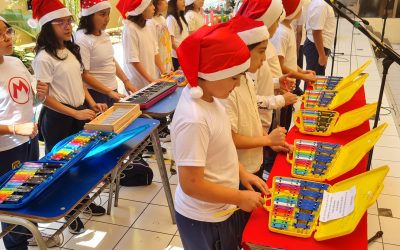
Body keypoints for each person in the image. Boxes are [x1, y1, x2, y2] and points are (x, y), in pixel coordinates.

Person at [171, 24, 268, 250]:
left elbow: (223, 148)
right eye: (234, 78)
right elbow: (191, 184)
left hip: (221, 208)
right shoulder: (194, 119)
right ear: (213, 73)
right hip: (204, 219)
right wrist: (238, 197)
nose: (237, 84)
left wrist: (242, 173)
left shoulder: (212, 100)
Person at [31, 0, 107, 234]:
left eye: (68, 21)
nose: (67, 26)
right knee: (62, 167)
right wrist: (76, 112)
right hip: (58, 118)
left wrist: (93, 104)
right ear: (47, 26)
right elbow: (45, 98)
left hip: (79, 112)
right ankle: (68, 213)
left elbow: (80, 83)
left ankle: (82, 202)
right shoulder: (44, 57)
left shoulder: (71, 50)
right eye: (60, 22)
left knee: (81, 162)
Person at [0, 15, 61, 249]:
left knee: (28, 193)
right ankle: (18, 244)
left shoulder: (14, 62)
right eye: (0, 34)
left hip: (28, 141)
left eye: (8, 31)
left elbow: (31, 96)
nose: (7, 37)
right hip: (6, 150)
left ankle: (27, 235)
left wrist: (41, 92)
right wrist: (16, 128)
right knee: (11, 204)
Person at [223, 16, 287, 179]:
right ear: (243, 50)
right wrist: (267, 141)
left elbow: (252, 119)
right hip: (239, 170)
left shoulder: (245, 78)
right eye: (261, 51)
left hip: (253, 162)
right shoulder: (228, 88)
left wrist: (271, 142)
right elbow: (231, 139)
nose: (264, 58)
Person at [76, 0, 137, 107]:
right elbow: (85, 75)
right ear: (89, 16)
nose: (107, 18)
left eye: (108, 14)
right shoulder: (82, 39)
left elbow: (111, 60)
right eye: (102, 14)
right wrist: (108, 91)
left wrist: (126, 81)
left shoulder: (103, 34)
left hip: (111, 90)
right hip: (96, 94)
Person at [117, 0, 166, 90]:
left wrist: (164, 72)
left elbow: (155, 51)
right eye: (150, 4)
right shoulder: (130, 29)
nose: (154, 7)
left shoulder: (149, 25)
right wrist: (151, 80)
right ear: (142, 9)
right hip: (138, 84)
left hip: (151, 79)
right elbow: (134, 60)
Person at [304, 0, 336, 79]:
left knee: (316, 78)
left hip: (318, 46)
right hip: (315, 47)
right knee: (314, 80)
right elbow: (316, 32)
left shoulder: (322, 3)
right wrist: (322, 55)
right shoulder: (321, 4)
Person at [148, 0, 173, 74]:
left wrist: (170, 63)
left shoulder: (162, 19)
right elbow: (154, 48)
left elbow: (168, 42)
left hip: (167, 62)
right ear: (157, 4)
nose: (166, 2)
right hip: (159, 67)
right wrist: (162, 69)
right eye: (164, 0)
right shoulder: (151, 22)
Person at [166, 0, 189, 70]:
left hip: (183, 55)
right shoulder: (170, 18)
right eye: (181, 0)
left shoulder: (182, 17)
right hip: (176, 57)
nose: (184, 2)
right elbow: (171, 42)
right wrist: (181, 53)